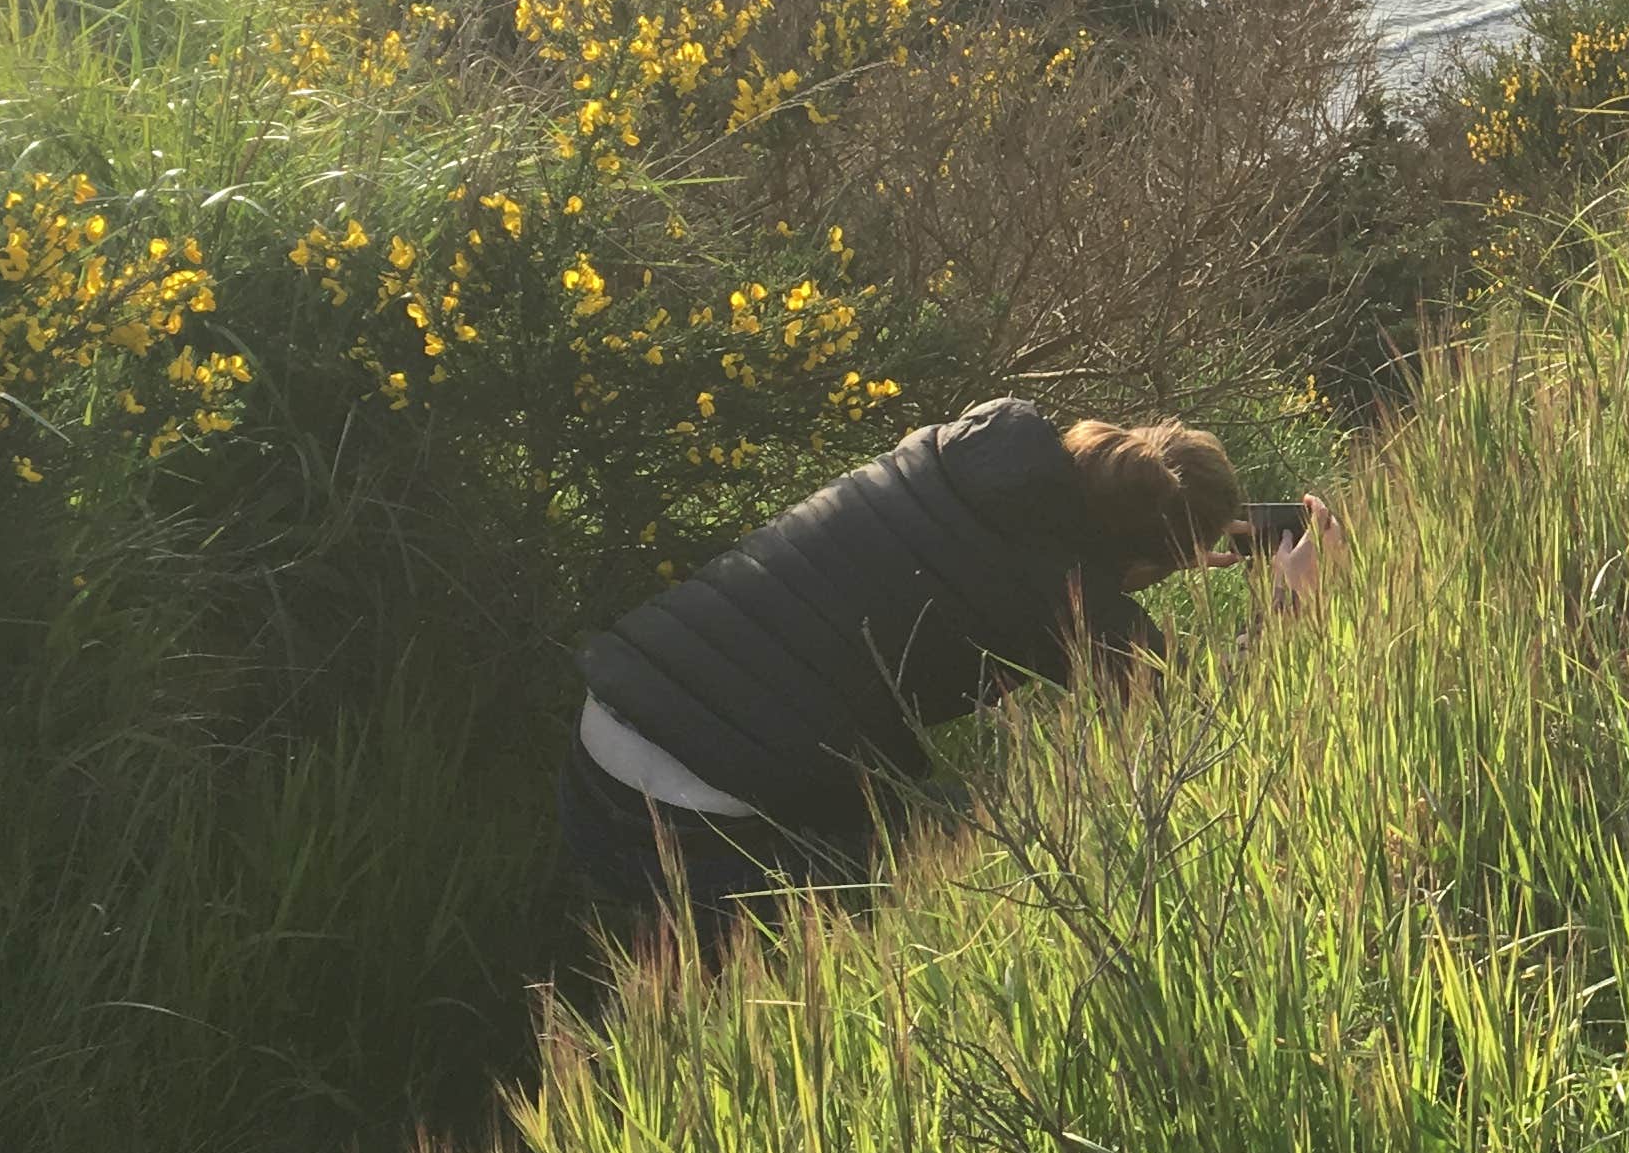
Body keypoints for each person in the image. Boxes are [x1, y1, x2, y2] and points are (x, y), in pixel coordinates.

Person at [556, 393, 1333, 952]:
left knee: (959, 816)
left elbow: (1067, 534)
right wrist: (1287, 613)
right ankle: (685, 958)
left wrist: (1169, 526)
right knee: (1002, 859)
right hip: (686, 832)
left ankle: (653, 938)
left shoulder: (959, 454)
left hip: (598, 757)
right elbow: (1199, 730)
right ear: (1138, 560)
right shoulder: (1060, 593)